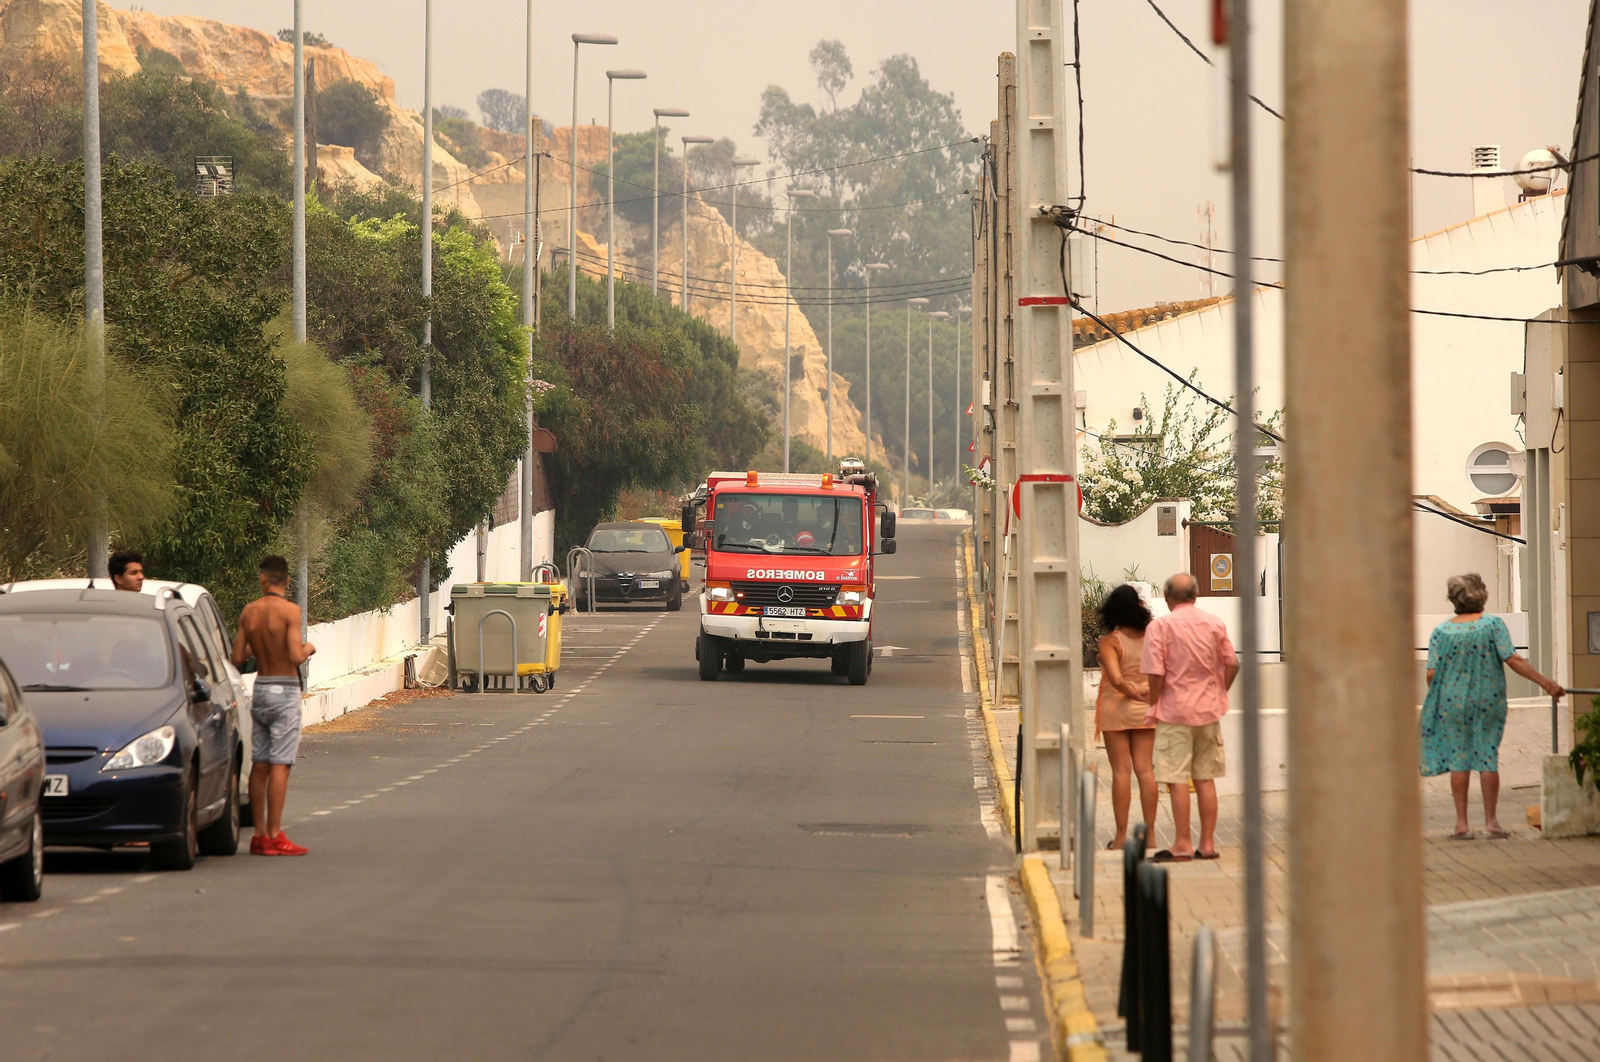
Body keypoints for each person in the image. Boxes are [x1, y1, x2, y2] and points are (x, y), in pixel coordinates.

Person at [1422, 573, 1562, 840]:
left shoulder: (1441, 631)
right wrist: (1547, 684)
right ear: (1481, 596)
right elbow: (1513, 660)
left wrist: (1442, 696)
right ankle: (1492, 823)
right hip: (1488, 700)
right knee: (1487, 756)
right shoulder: (1493, 625)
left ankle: (1461, 825)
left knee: (1459, 759)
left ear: (1453, 599)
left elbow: (1431, 673)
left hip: (1453, 702)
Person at [1141, 572, 1238, 862]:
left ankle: (1182, 843)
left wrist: (1155, 703)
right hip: (1208, 711)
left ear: (1167, 597)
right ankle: (1207, 844)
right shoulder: (1214, 623)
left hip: (1174, 712)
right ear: (1195, 595)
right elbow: (1232, 664)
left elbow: (1155, 673)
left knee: (1177, 779)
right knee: (1205, 779)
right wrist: (1219, 692)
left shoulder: (1160, 627)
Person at [230, 555, 316, 856]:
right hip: (285, 691)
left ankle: (259, 835)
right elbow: (294, 656)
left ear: (263, 579)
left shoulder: (250, 611)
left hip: (261, 688)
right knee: (281, 763)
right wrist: (309, 647)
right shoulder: (290, 611)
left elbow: (237, 657)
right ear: (287, 581)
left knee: (260, 763)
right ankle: (275, 834)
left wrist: (258, 643)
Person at [1095, 584, 1158, 851]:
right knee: (1146, 770)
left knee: (1121, 771)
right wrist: (1145, 694)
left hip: (1116, 709)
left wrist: (1132, 691)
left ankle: (1120, 837)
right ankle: (1151, 836)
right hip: (1146, 707)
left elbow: (1117, 679)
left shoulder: (1110, 642)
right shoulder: (1152, 637)